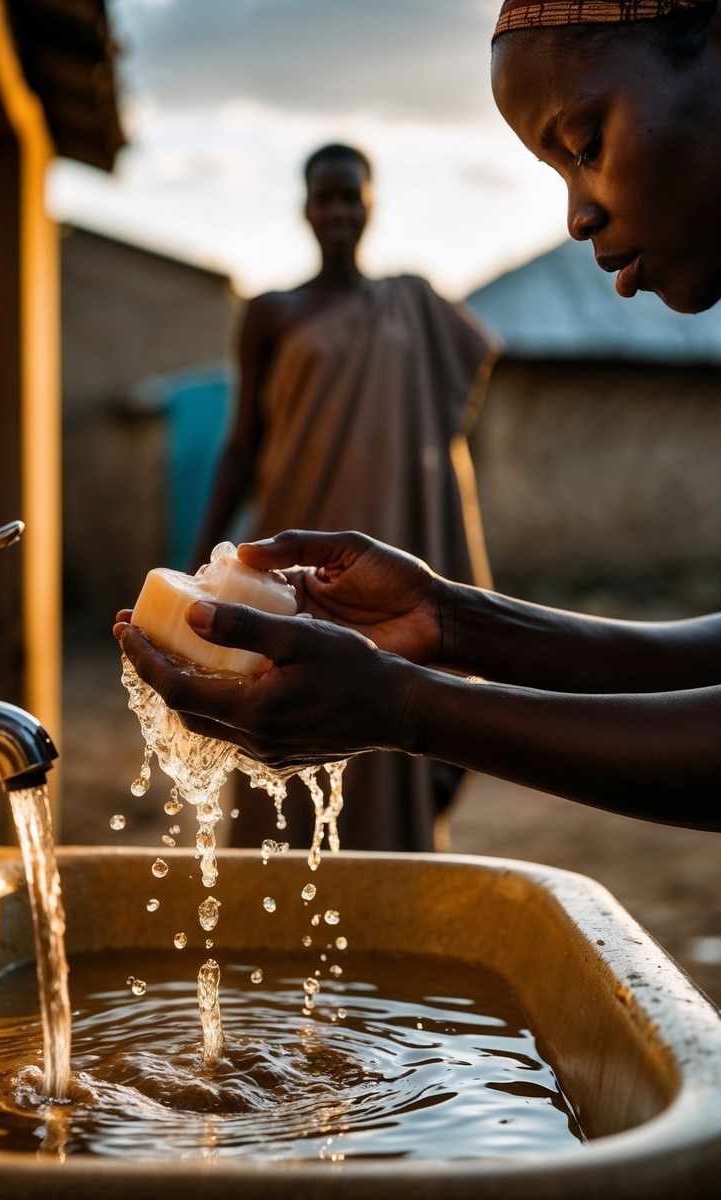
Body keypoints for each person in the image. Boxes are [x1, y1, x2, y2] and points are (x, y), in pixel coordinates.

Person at [119, 3, 721, 1191]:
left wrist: (405, 706)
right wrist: (454, 621)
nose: (578, 211)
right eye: (555, 166)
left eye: (585, 141)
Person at [190, 142, 498, 853]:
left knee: (387, 704)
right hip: (289, 558)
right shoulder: (272, 312)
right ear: (305, 207)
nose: (336, 212)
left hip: (389, 545)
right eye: (324, 197)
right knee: (280, 707)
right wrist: (198, 558)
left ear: (370, 206)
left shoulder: (413, 307)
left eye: (349, 197)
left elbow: (446, 422)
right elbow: (242, 445)